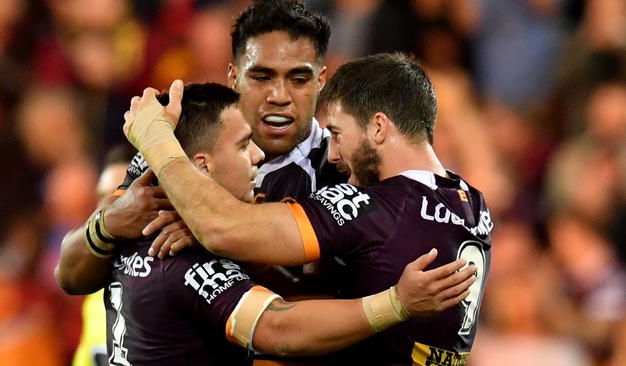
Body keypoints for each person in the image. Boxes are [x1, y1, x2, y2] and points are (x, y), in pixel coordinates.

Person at [123, 53, 493, 365]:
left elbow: (223, 229)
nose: (332, 154)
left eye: (337, 133)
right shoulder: (472, 204)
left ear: (378, 127)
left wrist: (156, 141)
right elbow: (352, 278)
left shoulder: (376, 209)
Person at [57, 0, 344, 297]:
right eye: (262, 77)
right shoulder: (182, 141)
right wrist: (109, 223)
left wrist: (215, 236)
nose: (279, 96)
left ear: (321, 80)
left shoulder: (340, 169)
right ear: (233, 76)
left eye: (298, 79)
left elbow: (331, 311)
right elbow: (70, 274)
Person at [72, 144, 136, 366]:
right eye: (102, 197)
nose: (107, 210)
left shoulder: (178, 278)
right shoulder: (95, 298)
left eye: (120, 195)